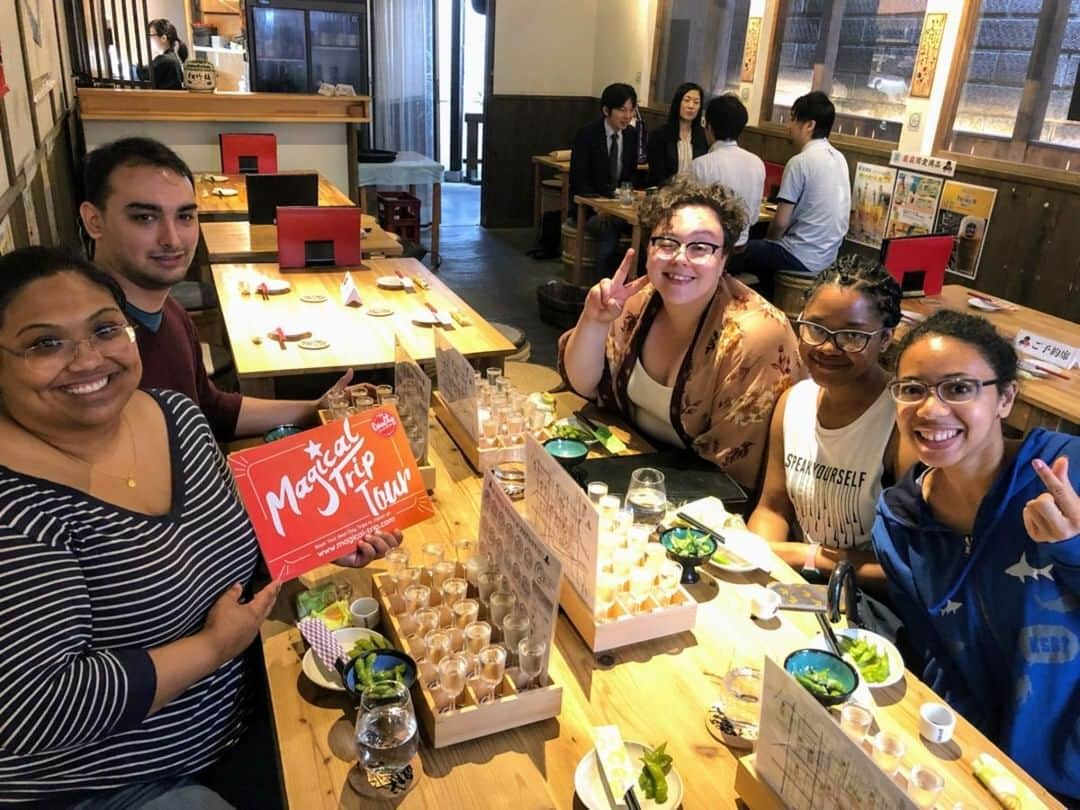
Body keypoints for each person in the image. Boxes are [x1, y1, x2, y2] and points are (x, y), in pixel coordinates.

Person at [0, 247, 402, 807]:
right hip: (114, 784)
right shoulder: (16, 509)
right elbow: (36, 707)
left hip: (236, 714)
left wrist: (320, 539)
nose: (87, 359)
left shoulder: (175, 416)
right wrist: (214, 646)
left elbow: (223, 549)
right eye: (46, 343)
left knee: (395, 762)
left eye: (105, 329)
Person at [872, 310, 1080, 803]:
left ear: (1005, 398)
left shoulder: (1067, 472)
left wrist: (1072, 547)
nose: (931, 409)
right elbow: (938, 655)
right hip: (986, 769)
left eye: (959, 389)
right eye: (913, 388)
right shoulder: (898, 522)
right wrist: (959, 754)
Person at [79, 137, 353, 445]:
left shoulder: (170, 313)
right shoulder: (87, 348)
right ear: (94, 221)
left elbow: (209, 409)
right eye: (145, 217)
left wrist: (315, 409)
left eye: (184, 216)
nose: (172, 239)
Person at [558, 176, 803, 491]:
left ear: (724, 258)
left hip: (711, 503)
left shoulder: (755, 337)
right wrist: (594, 320)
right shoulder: (637, 300)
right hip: (634, 468)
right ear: (648, 248)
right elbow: (584, 384)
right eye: (667, 242)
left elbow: (732, 476)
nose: (680, 258)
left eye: (700, 247)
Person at [748, 256, 911, 586]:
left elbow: (906, 565)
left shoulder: (901, 421)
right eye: (815, 329)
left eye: (852, 336)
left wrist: (806, 556)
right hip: (795, 580)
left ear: (885, 339)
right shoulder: (793, 401)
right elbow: (773, 508)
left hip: (860, 597)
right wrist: (757, 557)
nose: (827, 347)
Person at [732, 91, 850, 299]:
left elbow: (780, 223)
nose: (788, 125)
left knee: (737, 250)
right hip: (828, 258)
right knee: (759, 251)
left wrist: (769, 243)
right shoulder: (839, 158)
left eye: (793, 118)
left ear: (809, 125)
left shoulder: (800, 161)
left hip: (800, 256)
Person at [568, 83, 641, 279]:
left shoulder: (632, 135)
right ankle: (602, 289)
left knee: (644, 231)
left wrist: (626, 196)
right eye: (622, 110)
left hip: (620, 208)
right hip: (590, 208)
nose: (627, 116)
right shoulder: (587, 135)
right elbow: (578, 180)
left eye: (631, 110)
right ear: (606, 110)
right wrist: (598, 207)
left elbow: (630, 175)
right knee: (609, 231)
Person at [690, 93, 765, 248]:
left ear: (709, 127)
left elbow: (691, 215)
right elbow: (754, 218)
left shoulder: (701, 165)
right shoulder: (757, 163)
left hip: (708, 248)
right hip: (741, 249)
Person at [647, 82, 708, 188]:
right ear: (677, 103)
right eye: (687, 100)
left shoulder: (704, 137)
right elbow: (657, 175)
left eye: (696, 102)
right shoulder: (659, 135)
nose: (691, 106)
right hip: (665, 195)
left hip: (695, 197)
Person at [148, 18, 187, 90]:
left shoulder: (165, 60)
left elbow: (144, 76)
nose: (149, 39)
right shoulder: (172, 58)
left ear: (163, 38)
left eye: (151, 35)